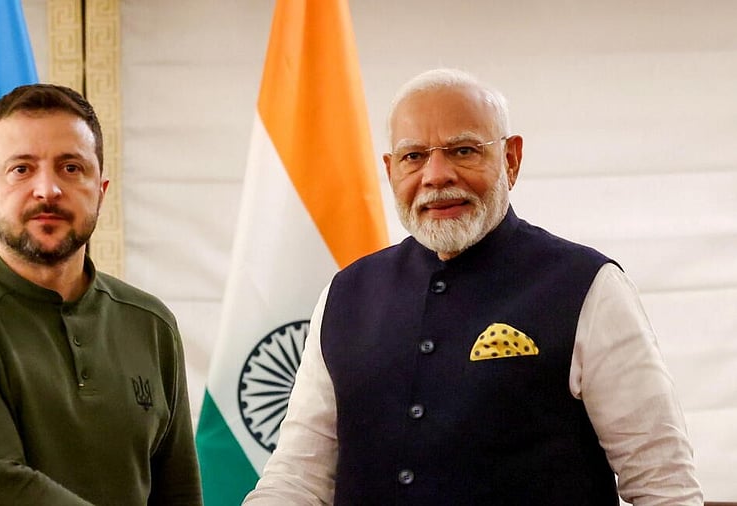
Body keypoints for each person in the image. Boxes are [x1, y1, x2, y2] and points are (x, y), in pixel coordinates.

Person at [244, 69, 702, 505]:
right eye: (414, 156)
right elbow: (297, 477)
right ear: (390, 170)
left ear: (511, 158)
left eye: (463, 150)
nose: (436, 175)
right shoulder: (345, 295)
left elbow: (663, 482)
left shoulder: (589, 287)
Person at [0, 84, 203, 505]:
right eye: (21, 169)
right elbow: (1, 493)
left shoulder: (150, 323)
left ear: (101, 192)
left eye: (70, 168)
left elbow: (179, 493)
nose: (48, 190)